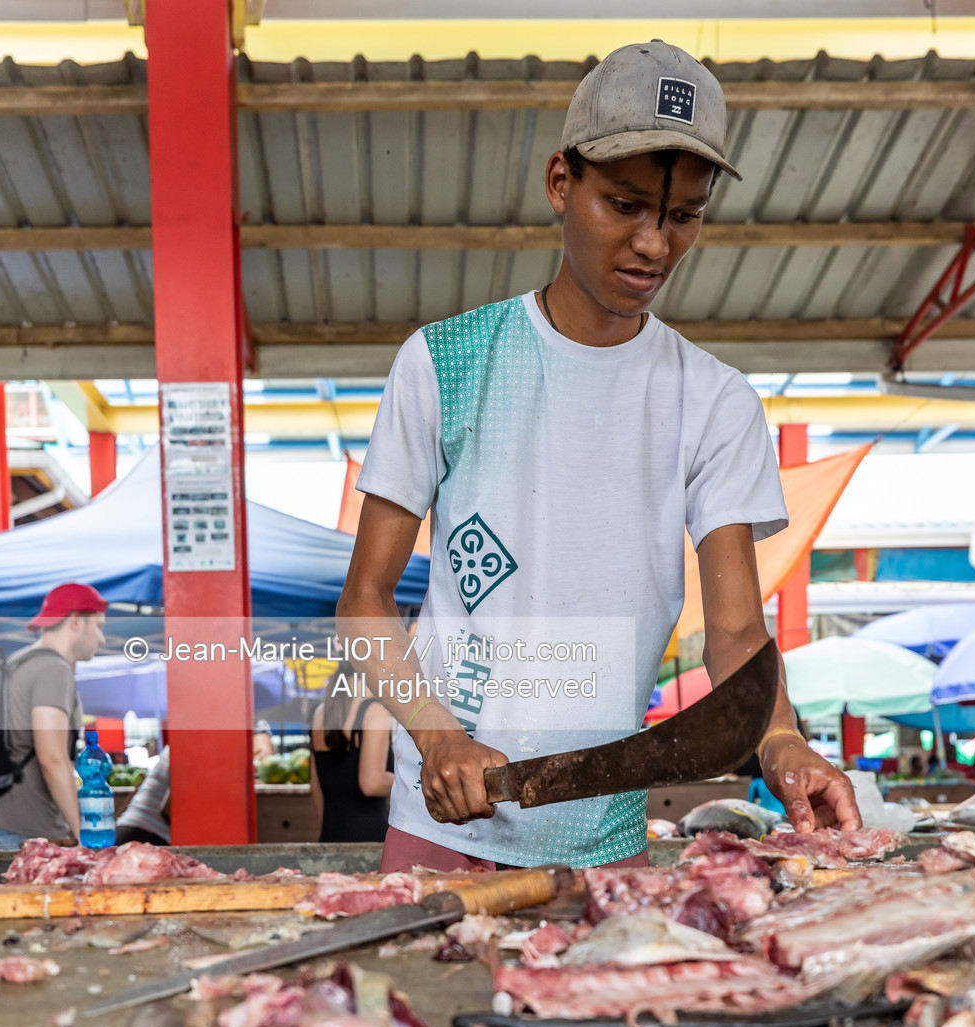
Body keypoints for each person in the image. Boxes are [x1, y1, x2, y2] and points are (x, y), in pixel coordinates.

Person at [338, 40, 859, 873]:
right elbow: (363, 601)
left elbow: (731, 627)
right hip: (444, 827)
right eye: (624, 205)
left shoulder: (715, 401)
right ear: (560, 184)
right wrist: (437, 737)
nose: (653, 244)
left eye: (683, 215)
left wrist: (783, 740)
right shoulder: (447, 361)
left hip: (604, 839)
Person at [0, 583, 107, 850]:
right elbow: (52, 758)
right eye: (98, 626)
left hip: (1, 820)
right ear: (75, 621)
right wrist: (85, 835)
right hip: (29, 830)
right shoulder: (52, 668)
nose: (101, 638)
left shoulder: (17, 662)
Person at [309, 662, 395, 843]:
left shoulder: (319, 712)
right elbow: (371, 783)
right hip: (370, 840)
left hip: (330, 836)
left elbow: (315, 788)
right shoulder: (375, 712)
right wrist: (412, 783)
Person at [116, 747, 170, 846]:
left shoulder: (173, 749)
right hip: (146, 836)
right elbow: (169, 810)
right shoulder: (186, 750)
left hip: (126, 829)